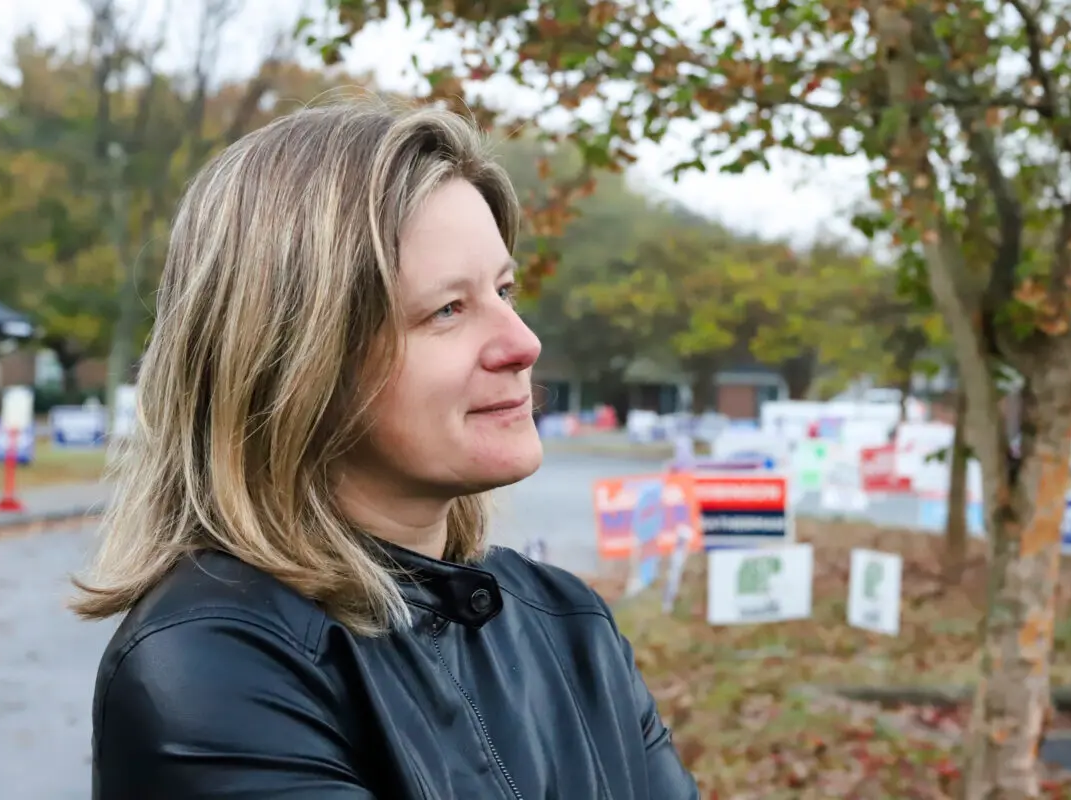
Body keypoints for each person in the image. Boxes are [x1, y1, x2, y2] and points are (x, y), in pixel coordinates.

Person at [72, 98, 698, 800]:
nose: (524, 343)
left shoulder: (568, 625)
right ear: (299, 362)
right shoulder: (211, 665)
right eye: (448, 310)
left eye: (505, 289)